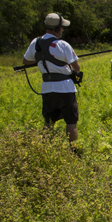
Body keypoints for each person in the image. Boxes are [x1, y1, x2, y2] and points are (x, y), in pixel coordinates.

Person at [23, 13, 81, 144]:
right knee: (71, 121)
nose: (63, 30)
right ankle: (73, 148)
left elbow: (26, 61)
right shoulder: (62, 45)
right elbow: (76, 67)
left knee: (49, 121)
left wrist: (41, 59)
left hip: (47, 88)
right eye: (61, 27)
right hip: (65, 88)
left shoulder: (35, 43)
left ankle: (46, 147)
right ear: (56, 29)